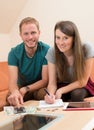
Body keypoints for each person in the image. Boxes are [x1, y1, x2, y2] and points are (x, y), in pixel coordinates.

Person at [45, 20, 94, 104]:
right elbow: (52, 83)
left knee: (77, 94)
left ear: (74, 39)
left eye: (65, 38)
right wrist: (50, 95)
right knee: (56, 98)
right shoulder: (52, 51)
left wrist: (61, 90)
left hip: (81, 84)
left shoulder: (86, 48)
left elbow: (83, 81)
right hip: (63, 84)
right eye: (58, 37)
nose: (60, 42)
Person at [7, 17, 50, 107]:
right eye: (26, 34)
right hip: (21, 87)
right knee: (10, 98)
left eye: (33, 33)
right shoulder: (13, 53)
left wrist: (26, 89)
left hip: (39, 87)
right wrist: (15, 92)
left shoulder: (47, 50)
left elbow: (45, 80)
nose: (30, 37)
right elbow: (13, 82)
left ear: (39, 33)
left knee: (44, 95)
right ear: (21, 35)